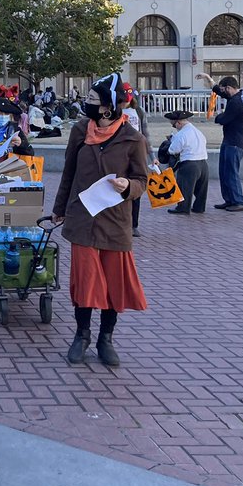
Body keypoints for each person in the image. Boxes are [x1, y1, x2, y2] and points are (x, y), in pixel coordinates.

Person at [51, 74, 148, 368]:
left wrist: (128, 186)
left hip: (116, 222)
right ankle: (81, 335)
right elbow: (68, 172)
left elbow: (142, 180)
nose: (86, 104)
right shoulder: (80, 130)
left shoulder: (133, 139)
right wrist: (59, 208)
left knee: (113, 286)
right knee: (85, 284)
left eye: (92, 100)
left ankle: (106, 338)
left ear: (107, 107)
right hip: (83, 218)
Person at [210, 76, 243, 212]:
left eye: (224, 90)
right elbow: (220, 92)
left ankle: (239, 201)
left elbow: (223, 119)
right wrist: (211, 81)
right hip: (230, 141)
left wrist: (217, 116)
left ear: (229, 88)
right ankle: (230, 200)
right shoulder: (236, 97)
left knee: (231, 173)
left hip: (235, 142)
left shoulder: (236, 102)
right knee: (224, 172)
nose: (223, 93)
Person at [161, 111, 209, 216]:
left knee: (185, 187)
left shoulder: (182, 134)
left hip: (189, 164)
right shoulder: (197, 132)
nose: (174, 127)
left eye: (173, 124)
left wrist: (169, 144)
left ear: (178, 123)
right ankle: (199, 207)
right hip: (203, 163)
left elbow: (173, 150)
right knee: (201, 189)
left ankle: (183, 207)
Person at [121, 83, 152, 238]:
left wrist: (152, 156)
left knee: (136, 189)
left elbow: (145, 134)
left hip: (137, 155)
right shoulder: (114, 111)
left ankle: (134, 224)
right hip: (119, 155)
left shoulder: (139, 112)